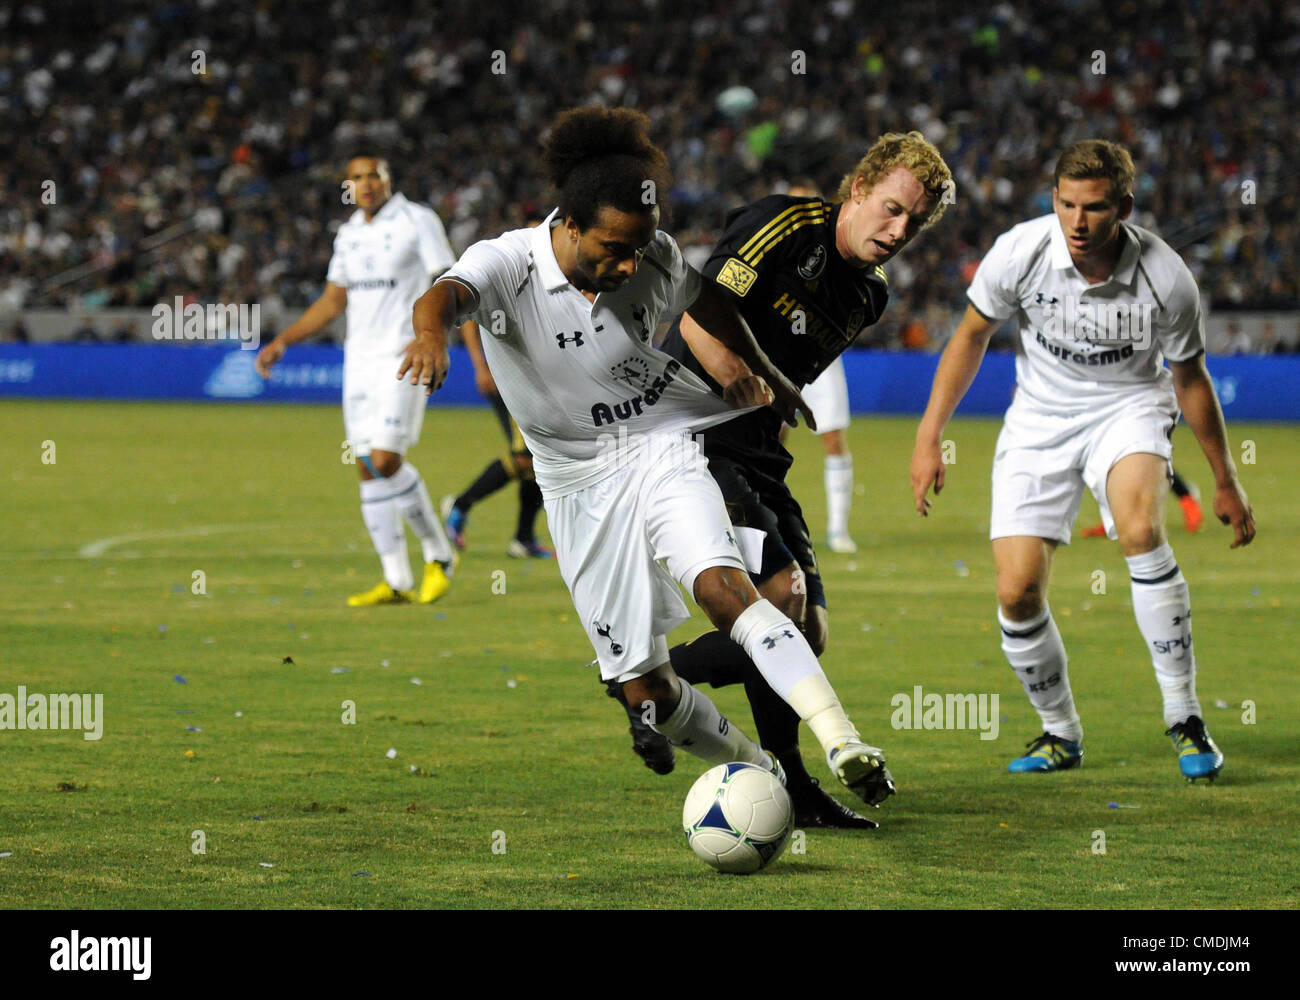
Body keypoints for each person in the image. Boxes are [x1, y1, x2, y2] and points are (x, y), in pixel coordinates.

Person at [404, 107, 894, 809]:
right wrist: (429, 337)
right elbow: (444, 296)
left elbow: (715, 306)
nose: (630, 263)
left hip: (657, 444)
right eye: (613, 247)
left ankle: (841, 737)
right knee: (650, 692)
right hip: (575, 481)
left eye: (639, 246)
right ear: (568, 224)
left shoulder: (654, 254)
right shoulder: (508, 261)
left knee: (728, 588)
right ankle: (761, 772)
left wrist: (768, 378)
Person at [602, 133, 952, 827]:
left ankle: (643, 679)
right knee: (779, 598)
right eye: (890, 210)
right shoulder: (785, 224)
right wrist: (745, 371)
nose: (898, 231)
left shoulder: (869, 298)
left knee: (809, 632)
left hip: (760, 451)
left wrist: (774, 395)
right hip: (693, 436)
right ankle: (792, 780)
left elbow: (787, 374)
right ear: (857, 189)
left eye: (912, 223)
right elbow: (698, 309)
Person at [910, 139, 1255, 782]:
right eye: (1065, 203)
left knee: (1140, 529)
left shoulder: (1166, 276)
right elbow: (971, 336)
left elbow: (1191, 380)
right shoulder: (1021, 251)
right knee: (1016, 592)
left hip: (1128, 408)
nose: (1076, 221)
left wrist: (1226, 481)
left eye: (1093, 208)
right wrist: (930, 435)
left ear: (1122, 206)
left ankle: (1184, 716)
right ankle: (1060, 734)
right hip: (1038, 418)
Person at [255, 155, 457, 606]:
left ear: (388, 179)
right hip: (359, 363)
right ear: (348, 186)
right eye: (356, 177)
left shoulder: (417, 220)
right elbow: (333, 300)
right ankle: (396, 579)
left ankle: (439, 555)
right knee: (365, 467)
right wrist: (284, 340)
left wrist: (436, 338)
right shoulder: (348, 234)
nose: (365, 184)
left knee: (386, 459)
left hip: (405, 355)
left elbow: (447, 281)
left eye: (373, 175)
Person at [439, 318, 553, 559]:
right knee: (526, 456)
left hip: (537, 376)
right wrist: (481, 367)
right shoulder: (506, 281)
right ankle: (460, 505)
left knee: (538, 455)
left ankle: (524, 539)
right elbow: (470, 317)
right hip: (510, 376)